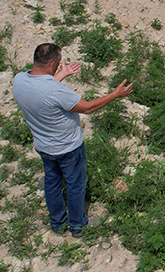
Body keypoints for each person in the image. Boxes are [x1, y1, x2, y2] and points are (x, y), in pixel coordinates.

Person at [12, 42, 133, 237]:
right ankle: (77, 225)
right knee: (76, 184)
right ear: (52, 64)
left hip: (43, 146)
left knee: (52, 182)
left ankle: (57, 222)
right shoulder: (56, 91)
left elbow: (42, 88)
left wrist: (62, 74)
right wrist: (115, 95)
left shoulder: (19, 81)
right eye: (58, 63)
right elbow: (87, 107)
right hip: (68, 147)